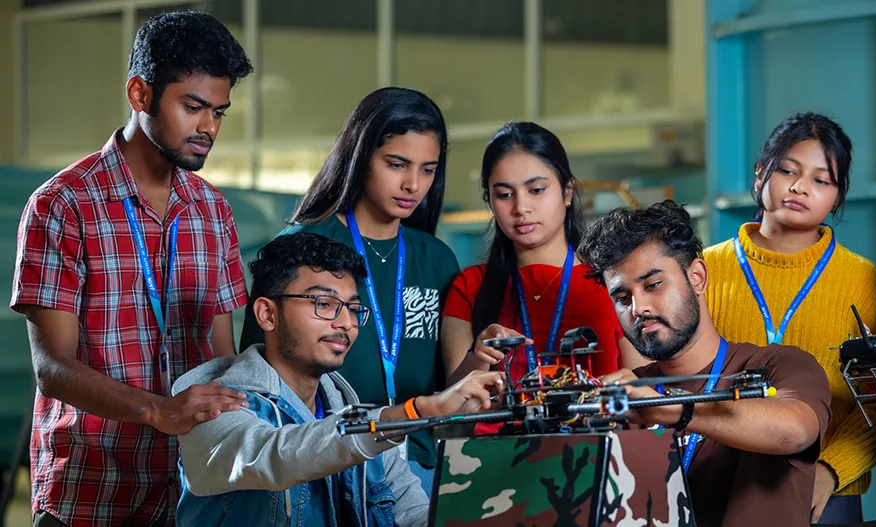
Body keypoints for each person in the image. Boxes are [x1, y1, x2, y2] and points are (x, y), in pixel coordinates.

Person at [11, 11, 253, 526]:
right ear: (140, 94)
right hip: (91, 492)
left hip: (193, 490)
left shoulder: (214, 210)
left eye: (219, 112)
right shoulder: (62, 204)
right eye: (193, 107)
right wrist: (158, 410)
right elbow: (51, 369)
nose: (208, 127)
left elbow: (222, 355)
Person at [177, 232, 504, 526]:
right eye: (325, 304)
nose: (346, 322)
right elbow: (278, 456)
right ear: (267, 314)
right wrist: (417, 411)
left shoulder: (361, 418)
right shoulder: (213, 408)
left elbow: (414, 516)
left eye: (353, 308)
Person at [239, 87, 459, 495]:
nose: (413, 184)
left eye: (427, 170)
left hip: (421, 467)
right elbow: (258, 375)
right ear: (360, 157)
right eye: (397, 164)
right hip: (326, 464)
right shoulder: (303, 245)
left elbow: (450, 382)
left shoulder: (437, 259)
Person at [577, 200, 831, 527]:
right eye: (623, 298)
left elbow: (796, 432)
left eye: (653, 284)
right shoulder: (623, 395)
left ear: (697, 277)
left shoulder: (778, 365)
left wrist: (674, 409)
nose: (638, 308)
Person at [702, 112, 876, 523]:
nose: (800, 187)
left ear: (837, 197)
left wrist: (829, 472)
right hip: (715, 480)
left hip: (825, 495)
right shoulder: (704, 269)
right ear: (759, 175)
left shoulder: (864, 280)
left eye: (821, 180)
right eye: (787, 170)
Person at [442, 122, 646, 390]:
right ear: (490, 201)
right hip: (500, 433)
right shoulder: (470, 286)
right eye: (504, 195)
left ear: (567, 192)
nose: (521, 207)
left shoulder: (611, 278)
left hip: (593, 429)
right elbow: (451, 409)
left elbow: (642, 389)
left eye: (536, 190)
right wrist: (478, 356)